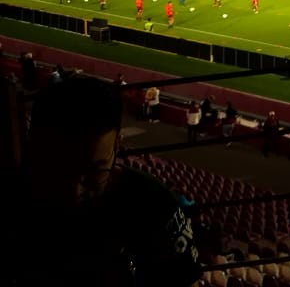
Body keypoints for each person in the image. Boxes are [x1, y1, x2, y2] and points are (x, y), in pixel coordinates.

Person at [0, 77, 202, 286]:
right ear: (36, 144)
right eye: (59, 168)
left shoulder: (157, 208)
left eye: (93, 171)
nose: (74, 189)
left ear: (117, 145)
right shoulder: (11, 200)